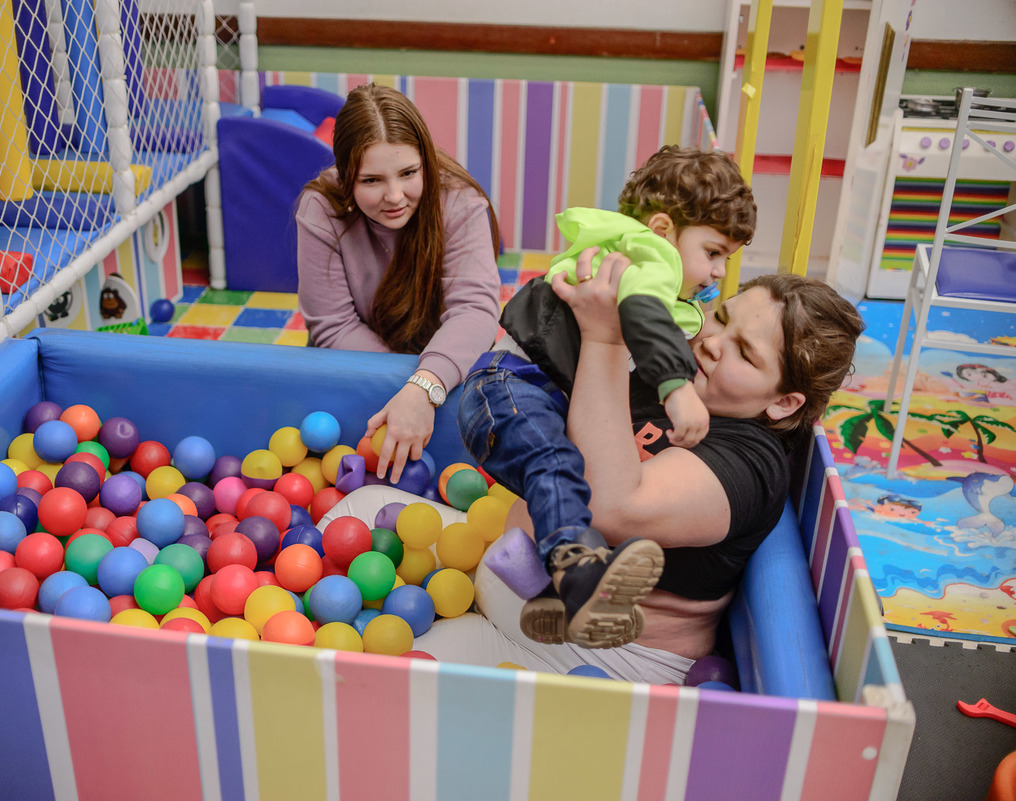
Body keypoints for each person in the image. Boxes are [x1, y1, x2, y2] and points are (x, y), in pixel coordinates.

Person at [397, 256, 859, 682]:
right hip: (489, 575)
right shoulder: (677, 379)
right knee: (364, 505)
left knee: (388, 677)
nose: (712, 343)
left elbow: (607, 507)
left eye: (744, 352)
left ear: (783, 402)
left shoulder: (750, 461)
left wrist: (606, 339)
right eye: (721, 317)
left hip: (592, 658)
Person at [461, 147, 756, 647]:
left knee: (568, 475)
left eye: (726, 258)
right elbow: (644, 314)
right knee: (557, 464)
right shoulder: (648, 257)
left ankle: (546, 592)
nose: (719, 272)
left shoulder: (646, 268)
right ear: (662, 229)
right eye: (713, 253)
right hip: (508, 387)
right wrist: (677, 387)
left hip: (527, 397)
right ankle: (579, 571)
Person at [296, 83, 501, 483]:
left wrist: (424, 387)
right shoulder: (320, 207)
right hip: (357, 364)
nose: (394, 196)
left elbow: (474, 311)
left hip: (446, 368)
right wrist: (403, 390)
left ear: (425, 162)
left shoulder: (460, 202)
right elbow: (333, 325)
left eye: (408, 173)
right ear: (346, 176)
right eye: (371, 180)